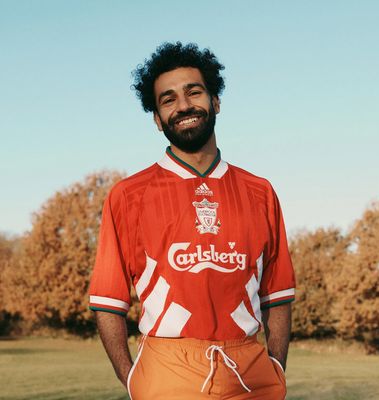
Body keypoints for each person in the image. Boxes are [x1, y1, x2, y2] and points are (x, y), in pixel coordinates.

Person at [89, 42, 295, 400]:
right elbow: (108, 300)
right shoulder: (129, 195)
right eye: (168, 99)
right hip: (167, 370)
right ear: (157, 118)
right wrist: (131, 378)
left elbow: (277, 294)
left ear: (215, 101)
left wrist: (275, 366)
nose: (183, 105)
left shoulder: (259, 191)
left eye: (193, 92)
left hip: (249, 369)